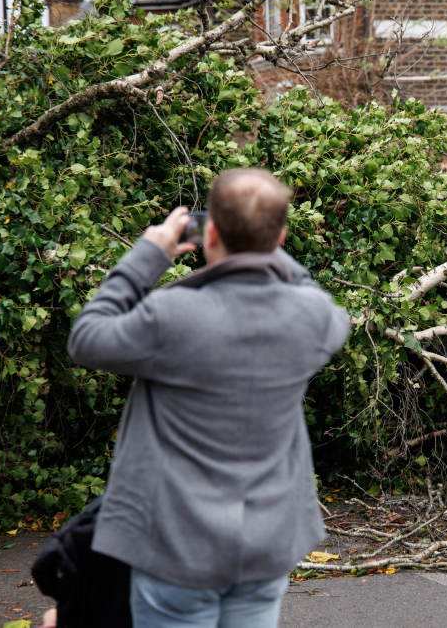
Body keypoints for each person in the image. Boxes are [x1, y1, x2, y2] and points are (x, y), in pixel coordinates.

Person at [66, 168, 349, 627]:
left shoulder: (172, 314)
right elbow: (311, 292)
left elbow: (87, 339)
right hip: (264, 544)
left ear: (209, 230)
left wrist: (148, 256)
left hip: (177, 547)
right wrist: (268, 248)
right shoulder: (313, 316)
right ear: (280, 236)